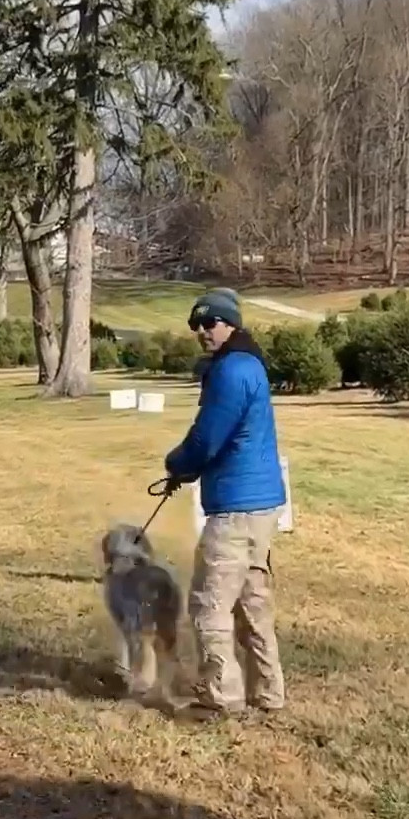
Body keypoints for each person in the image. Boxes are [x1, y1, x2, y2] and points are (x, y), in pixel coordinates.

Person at [164, 289, 286, 717]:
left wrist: (176, 464)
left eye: (210, 322)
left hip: (236, 507)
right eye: (196, 325)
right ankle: (268, 694)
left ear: (231, 323)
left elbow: (206, 438)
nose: (202, 331)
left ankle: (221, 700)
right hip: (260, 507)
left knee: (208, 604)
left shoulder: (232, 371)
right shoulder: (248, 363)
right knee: (252, 604)